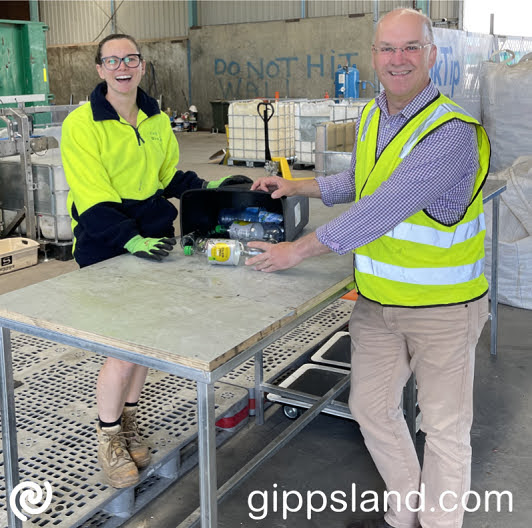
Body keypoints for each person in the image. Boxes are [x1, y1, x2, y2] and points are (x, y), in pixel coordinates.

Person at [247, 8, 490, 528]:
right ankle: (406, 509)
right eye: (387, 48)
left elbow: (380, 210)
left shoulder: (451, 133)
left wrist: (297, 251)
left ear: (431, 54)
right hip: (379, 304)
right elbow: (360, 183)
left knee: (444, 429)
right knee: (372, 408)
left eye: (410, 48)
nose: (397, 59)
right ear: (373, 56)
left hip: (443, 310)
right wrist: (299, 186)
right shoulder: (373, 115)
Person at [60, 33, 249, 488]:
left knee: (144, 343)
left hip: (155, 240)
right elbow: (93, 197)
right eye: (112, 61)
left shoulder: (155, 117)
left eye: (131, 59)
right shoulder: (82, 124)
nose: (122, 67)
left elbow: (167, 177)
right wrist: (130, 239)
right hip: (107, 243)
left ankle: (127, 422)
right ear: (100, 69)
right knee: (121, 348)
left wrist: (211, 191)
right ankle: (108, 437)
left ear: (141, 65)